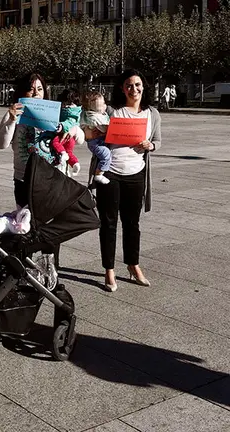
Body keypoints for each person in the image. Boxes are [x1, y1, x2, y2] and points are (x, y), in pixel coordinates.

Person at [93, 69, 161, 292]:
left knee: (132, 223)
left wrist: (150, 146)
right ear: (122, 89)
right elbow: (93, 128)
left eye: (138, 85)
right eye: (129, 85)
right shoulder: (113, 111)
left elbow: (157, 141)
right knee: (109, 224)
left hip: (136, 173)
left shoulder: (152, 113)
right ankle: (109, 270)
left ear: (144, 87)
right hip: (110, 173)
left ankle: (133, 265)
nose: (134, 89)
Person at [0, 72, 60, 279]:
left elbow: (76, 136)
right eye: (31, 89)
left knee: (50, 226)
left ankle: (51, 267)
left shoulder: (52, 112)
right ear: (23, 92)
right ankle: (27, 267)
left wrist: (65, 129)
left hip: (49, 178)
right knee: (25, 225)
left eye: (39, 89)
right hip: (23, 177)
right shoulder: (14, 112)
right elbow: (1, 143)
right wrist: (11, 120)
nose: (36, 93)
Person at [80, 91, 111, 184]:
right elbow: (104, 129)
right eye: (102, 105)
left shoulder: (96, 114)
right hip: (95, 143)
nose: (105, 106)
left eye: (104, 103)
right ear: (94, 109)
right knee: (106, 155)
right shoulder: (94, 118)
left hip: (97, 141)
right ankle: (99, 174)